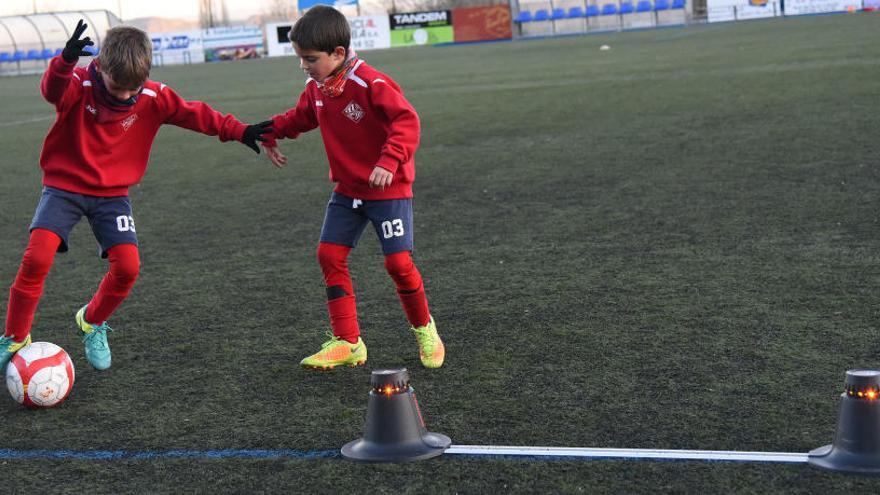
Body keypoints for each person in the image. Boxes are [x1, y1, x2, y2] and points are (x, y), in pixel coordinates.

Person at [0, 20, 272, 372]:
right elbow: (53, 91)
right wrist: (64, 61)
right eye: (118, 86)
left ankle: (92, 321)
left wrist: (239, 130)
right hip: (64, 188)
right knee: (37, 259)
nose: (126, 95)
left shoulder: (152, 96)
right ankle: (17, 335)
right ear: (101, 66)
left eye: (134, 88)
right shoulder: (80, 84)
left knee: (128, 267)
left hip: (112, 196)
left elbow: (195, 114)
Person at [261, 6, 445, 370]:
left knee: (398, 263)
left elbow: (406, 120)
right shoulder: (317, 87)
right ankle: (348, 342)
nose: (304, 66)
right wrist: (269, 132)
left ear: (338, 54)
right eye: (300, 59)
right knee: (329, 255)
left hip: (388, 190)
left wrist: (389, 160)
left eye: (310, 59)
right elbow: (300, 117)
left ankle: (426, 330)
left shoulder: (370, 82)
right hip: (348, 190)